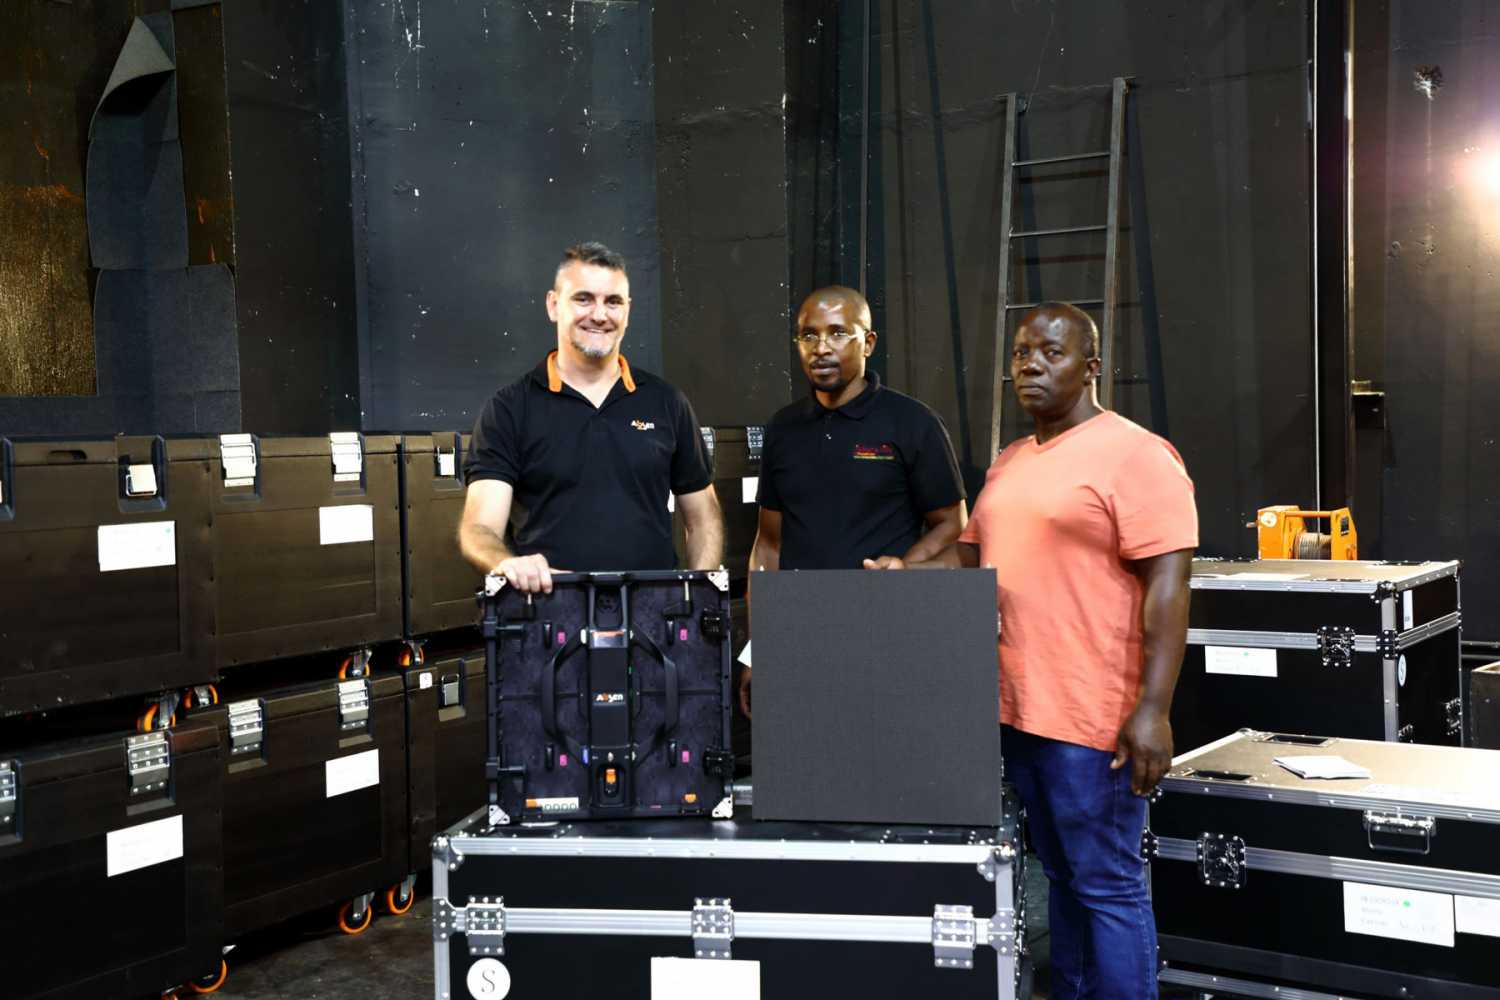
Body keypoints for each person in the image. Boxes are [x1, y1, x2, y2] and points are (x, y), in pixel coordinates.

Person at [867, 302, 1197, 1000]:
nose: (1031, 366)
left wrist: (1153, 711)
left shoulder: (1138, 455)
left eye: (1051, 352)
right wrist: (907, 574)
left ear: (1092, 366)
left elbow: (1169, 589)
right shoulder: (1011, 463)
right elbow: (971, 563)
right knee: (1061, 876)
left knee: (1107, 885)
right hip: (1019, 712)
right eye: (1021, 353)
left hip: (1094, 719)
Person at [739, 285, 967, 714]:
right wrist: (757, 649)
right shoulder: (783, 430)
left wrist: (904, 568)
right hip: (801, 635)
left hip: (887, 633)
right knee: (805, 767)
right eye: (809, 335)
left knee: (881, 763)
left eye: (838, 333)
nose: (821, 348)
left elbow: (952, 523)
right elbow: (768, 546)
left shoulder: (912, 423)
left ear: (869, 342)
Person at [459, 242, 723, 591]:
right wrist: (506, 563)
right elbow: (479, 528)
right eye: (583, 299)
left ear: (627, 312)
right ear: (553, 305)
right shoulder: (509, 409)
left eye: (613, 302)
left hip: (651, 616)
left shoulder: (667, 403)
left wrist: (697, 591)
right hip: (550, 614)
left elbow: (703, 516)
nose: (599, 314)